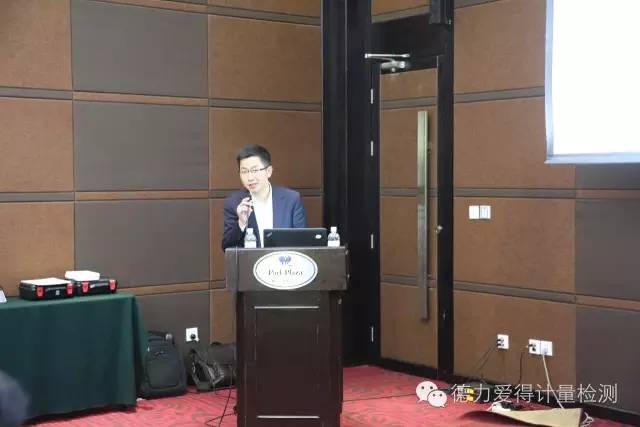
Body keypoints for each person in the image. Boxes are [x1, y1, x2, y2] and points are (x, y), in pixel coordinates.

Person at [222, 145, 307, 250]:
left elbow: (303, 242)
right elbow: (227, 247)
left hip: (284, 259)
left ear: (269, 171)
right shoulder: (234, 203)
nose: (250, 178)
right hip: (251, 261)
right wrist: (241, 223)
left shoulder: (291, 199)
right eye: (244, 171)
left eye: (254, 170)